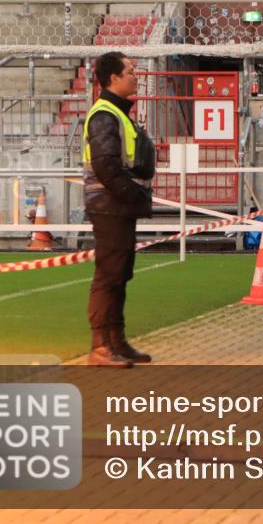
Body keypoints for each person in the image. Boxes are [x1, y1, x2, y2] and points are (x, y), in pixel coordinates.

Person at [83, 51, 156, 368]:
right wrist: (131, 194)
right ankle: (101, 347)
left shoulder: (115, 113)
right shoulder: (104, 115)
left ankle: (116, 341)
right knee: (109, 275)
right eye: (130, 70)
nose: (135, 75)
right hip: (110, 205)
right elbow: (106, 165)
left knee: (119, 274)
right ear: (113, 77)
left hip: (117, 205)